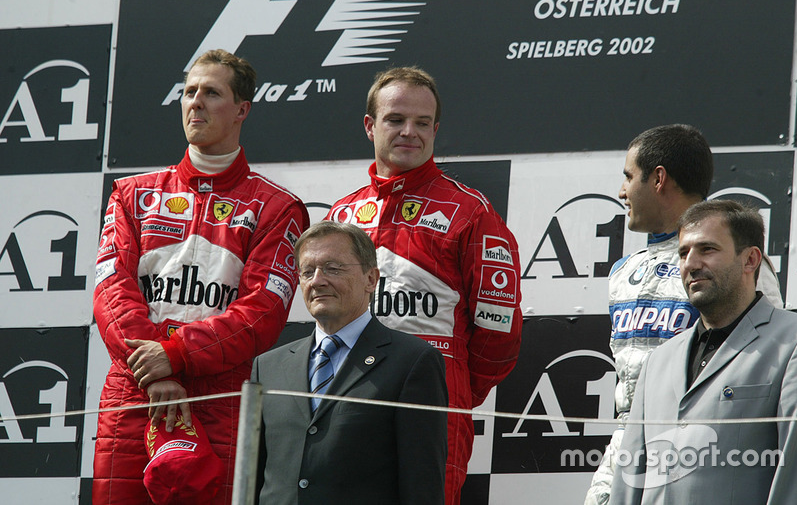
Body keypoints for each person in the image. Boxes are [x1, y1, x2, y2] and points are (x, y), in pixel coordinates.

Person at [92, 49, 309, 504]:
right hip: (134, 389)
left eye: (212, 93)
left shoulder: (276, 208)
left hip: (218, 395)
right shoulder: (133, 194)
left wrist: (177, 355)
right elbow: (112, 292)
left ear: (242, 110)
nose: (196, 103)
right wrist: (154, 370)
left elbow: (261, 314)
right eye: (189, 92)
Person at [326, 66, 522, 503]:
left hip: (431, 407)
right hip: (345, 396)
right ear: (370, 125)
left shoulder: (471, 211)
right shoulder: (341, 215)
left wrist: (448, 387)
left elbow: (500, 331)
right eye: (395, 119)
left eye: (422, 122)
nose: (409, 132)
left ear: (436, 129)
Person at [585, 124, 783, 505]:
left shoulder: (734, 266)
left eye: (628, 177)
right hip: (626, 448)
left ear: (658, 178)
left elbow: (765, 362)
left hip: (710, 452)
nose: (621, 192)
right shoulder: (623, 272)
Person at [608, 200, 797, 504]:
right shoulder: (659, 360)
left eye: (707, 250)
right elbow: (627, 482)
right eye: (684, 252)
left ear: (750, 260)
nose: (690, 264)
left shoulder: (793, 342)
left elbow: (794, 477)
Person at [251, 220, 448, 504]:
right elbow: (253, 479)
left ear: (371, 279)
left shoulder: (412, 362)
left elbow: (422, 485)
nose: (317, 280)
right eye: (308, 271)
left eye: (333, 268)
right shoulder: (267, 367)